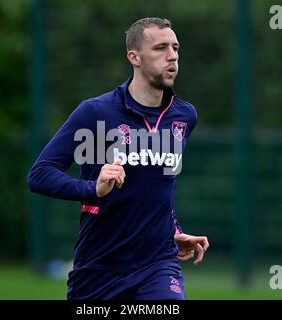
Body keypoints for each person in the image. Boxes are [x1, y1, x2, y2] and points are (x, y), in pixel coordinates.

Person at [28, 17, 209, 300]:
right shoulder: (96, 112)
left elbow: (159, 187)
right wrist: (93, 189)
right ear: (134, 57)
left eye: (175, 47)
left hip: (158, 264)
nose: (172, 56)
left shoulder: (184, 117)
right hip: (99, 270)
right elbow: (40, 175)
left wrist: (173, 229)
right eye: (160, 48)